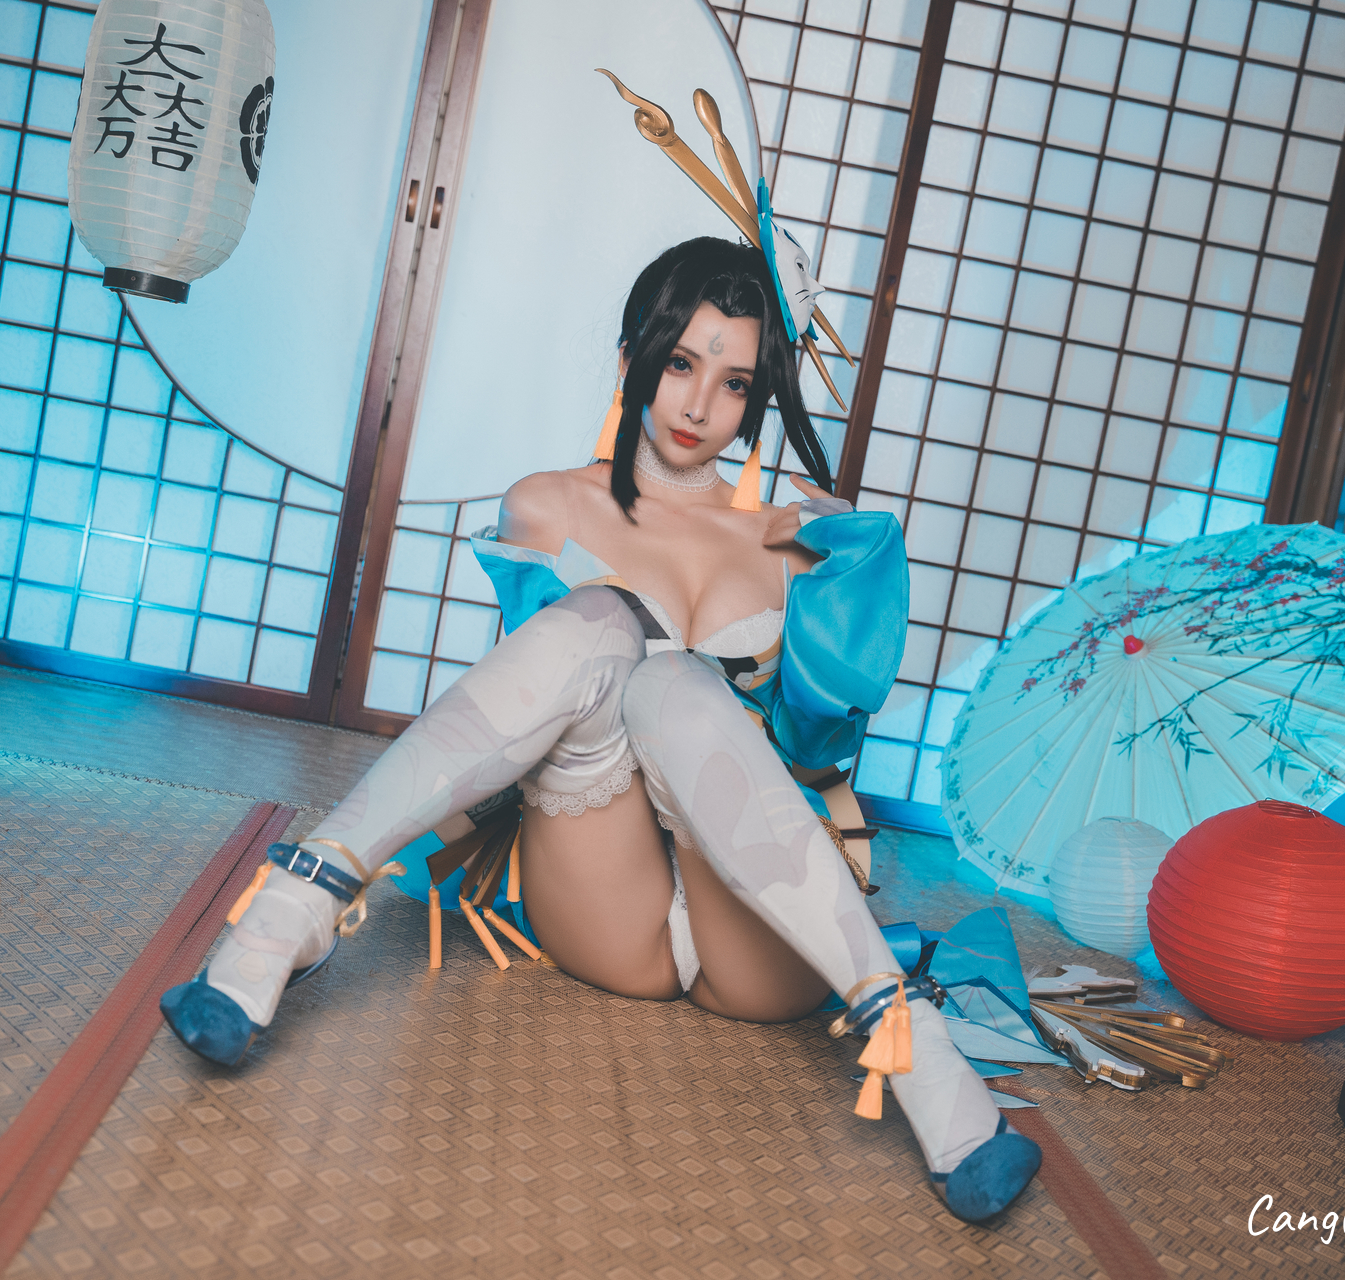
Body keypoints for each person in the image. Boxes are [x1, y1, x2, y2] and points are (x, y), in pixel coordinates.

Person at [159, 237, 1042, 1222]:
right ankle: (296, 906)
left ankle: (913, 1045)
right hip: (606, 896)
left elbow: (821, 760)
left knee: (675, 688)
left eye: (735, 382)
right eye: (680, 363)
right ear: (631, 359)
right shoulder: (548, 504)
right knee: (604, 626)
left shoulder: (794, 544)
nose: (699, 406)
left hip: (765, 924)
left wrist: (849, 585)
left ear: (758, 396)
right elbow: (515, 725)